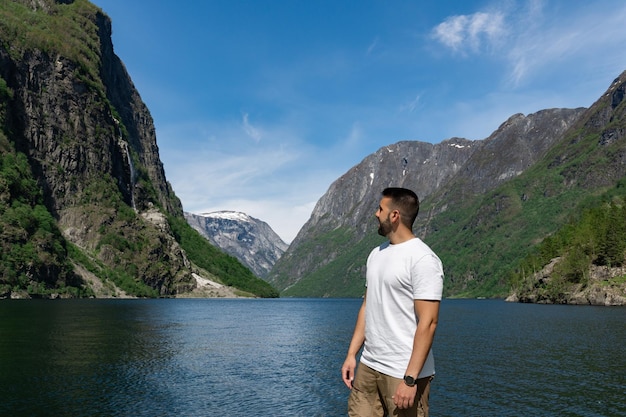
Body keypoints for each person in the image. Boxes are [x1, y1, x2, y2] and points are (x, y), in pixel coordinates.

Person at [341, 187, 444, 417]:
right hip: (369, 366)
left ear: (394, 215)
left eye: (380, 209)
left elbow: (428, 322)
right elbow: (368, 307)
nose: (376, 214)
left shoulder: (423, 259)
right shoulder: (376, 254)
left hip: (402, 372)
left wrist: (410, 379)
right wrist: (352, 355)